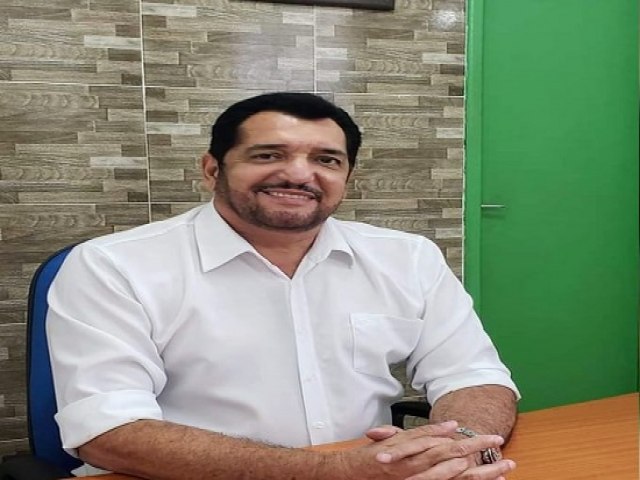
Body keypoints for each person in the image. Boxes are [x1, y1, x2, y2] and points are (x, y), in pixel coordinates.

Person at [47, 92, 520, 480]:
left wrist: (459, 449)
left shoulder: (407, 257)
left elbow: (474, 375)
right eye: (268, 155)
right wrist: (333, 472)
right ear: (212, 169)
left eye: (326, 160)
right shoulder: (113, 266)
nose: (298, 173)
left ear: (346, 178)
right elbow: (109, 430)